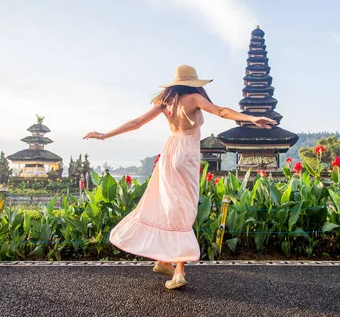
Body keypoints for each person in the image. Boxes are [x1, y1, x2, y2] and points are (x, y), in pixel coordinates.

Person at [83, 65, 276, 290]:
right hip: (186, 156)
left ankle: (165, 260)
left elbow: (136, 123)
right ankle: (179, 272)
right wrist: (251, 118)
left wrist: (104, 135)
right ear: (193, 83)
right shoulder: (194, 98)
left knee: (168, 206)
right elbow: (222, 111)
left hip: (170, 151)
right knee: (184, 210)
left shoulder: (165, 102)